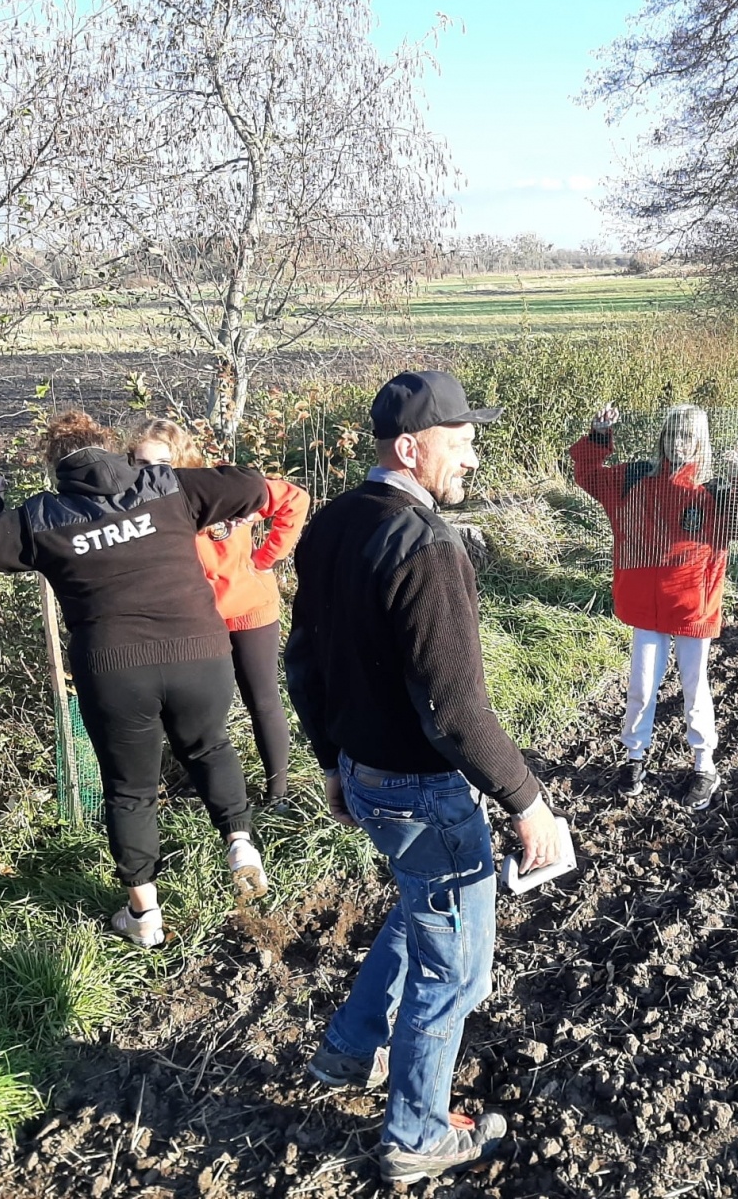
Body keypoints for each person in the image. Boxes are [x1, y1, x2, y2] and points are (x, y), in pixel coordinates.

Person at [285, 370, 561, 1185]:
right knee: (458, 968)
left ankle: (348, 1050)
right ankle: (416, 1135)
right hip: (420, 788)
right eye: (461, 438)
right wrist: (529, 801)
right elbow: (455, 709)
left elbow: (304, 661)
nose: (473, 455)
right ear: (411, 448)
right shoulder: (426, 544)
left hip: (366, 778)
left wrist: (331, 759)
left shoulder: (333, 522)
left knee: (421, 907)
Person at [0, 411, 271, 948]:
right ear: (113, 450)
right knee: (211, 746)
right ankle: (238, 842)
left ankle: (144, 917)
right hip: (199, 652)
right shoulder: (165, 485)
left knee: (130, 790)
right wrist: (191, 472)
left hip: (116, 671)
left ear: (55, 467)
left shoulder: (42, 516)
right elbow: (251, 488)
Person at [569, 403, 738, 810]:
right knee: (641, 688)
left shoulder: (716, 491)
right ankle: (634, 759)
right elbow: (588, 476)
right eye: (672, 435)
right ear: (662, 438)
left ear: (701, 443)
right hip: (644, 605)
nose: (679, 444)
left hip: (694, 607)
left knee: (695, 690)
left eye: (688, 437)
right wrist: (598, 436)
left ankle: (703, 765)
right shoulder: (634, 480)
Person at [126, 418, 309, 804]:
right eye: (140, 464)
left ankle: (278, 794)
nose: (150, 473)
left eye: (160, 463)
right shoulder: (138, 502)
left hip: (249, 608)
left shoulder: (220, 487)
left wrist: (265, 559)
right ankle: (212, 788)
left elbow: (294, 498)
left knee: (262, 701)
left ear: (180, 457)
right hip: (195, 618)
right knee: (200, 706)